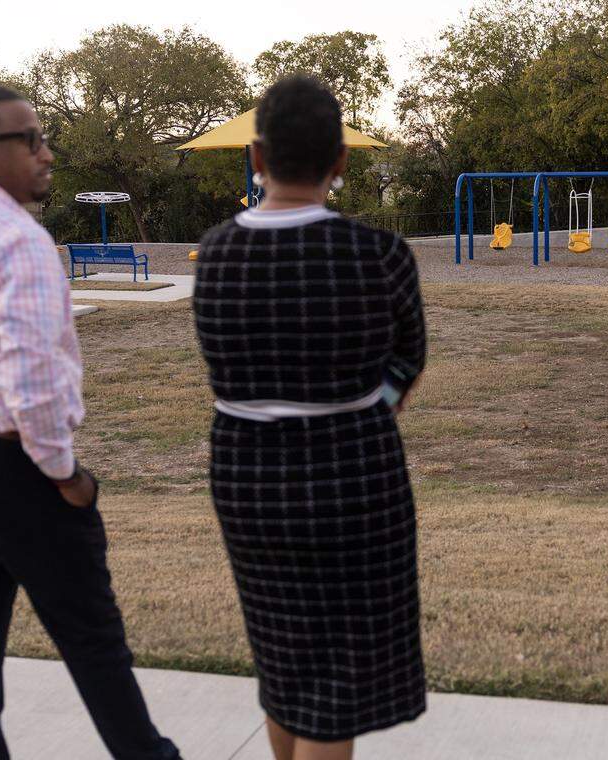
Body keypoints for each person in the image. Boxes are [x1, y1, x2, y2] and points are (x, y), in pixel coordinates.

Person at [0, 85, 180, 760]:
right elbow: (31, 383)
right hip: (11, 465)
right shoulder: (16, 240)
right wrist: (67, 474)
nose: (47, 154)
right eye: (32, 140)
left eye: (45, 137)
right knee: (92, 639)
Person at [193, 75, 427, 760]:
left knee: (282, 655)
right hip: (355, 479)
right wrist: (365, 413)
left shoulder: (215, 254)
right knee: (337, 682)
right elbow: (406, 364)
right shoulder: (379, 254)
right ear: (341, 161)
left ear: (258, 157)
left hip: (244, 478)